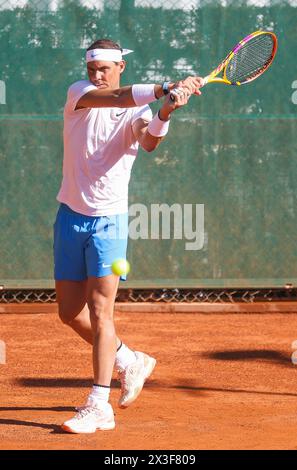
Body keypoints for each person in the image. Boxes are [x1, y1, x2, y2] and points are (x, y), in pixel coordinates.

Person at [53, 38, 203, 434]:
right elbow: (118, 98)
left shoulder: (137, 107)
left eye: (104, 68)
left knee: (102, 311)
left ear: (120, 65)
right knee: (69, 312)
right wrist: (163, 88)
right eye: (92, 69)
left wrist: (166, 110)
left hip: (110, 221)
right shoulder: (80, 94)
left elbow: (148, 139)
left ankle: (99, 404)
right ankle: (128, 360)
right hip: (70, 216)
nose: (97, 75)